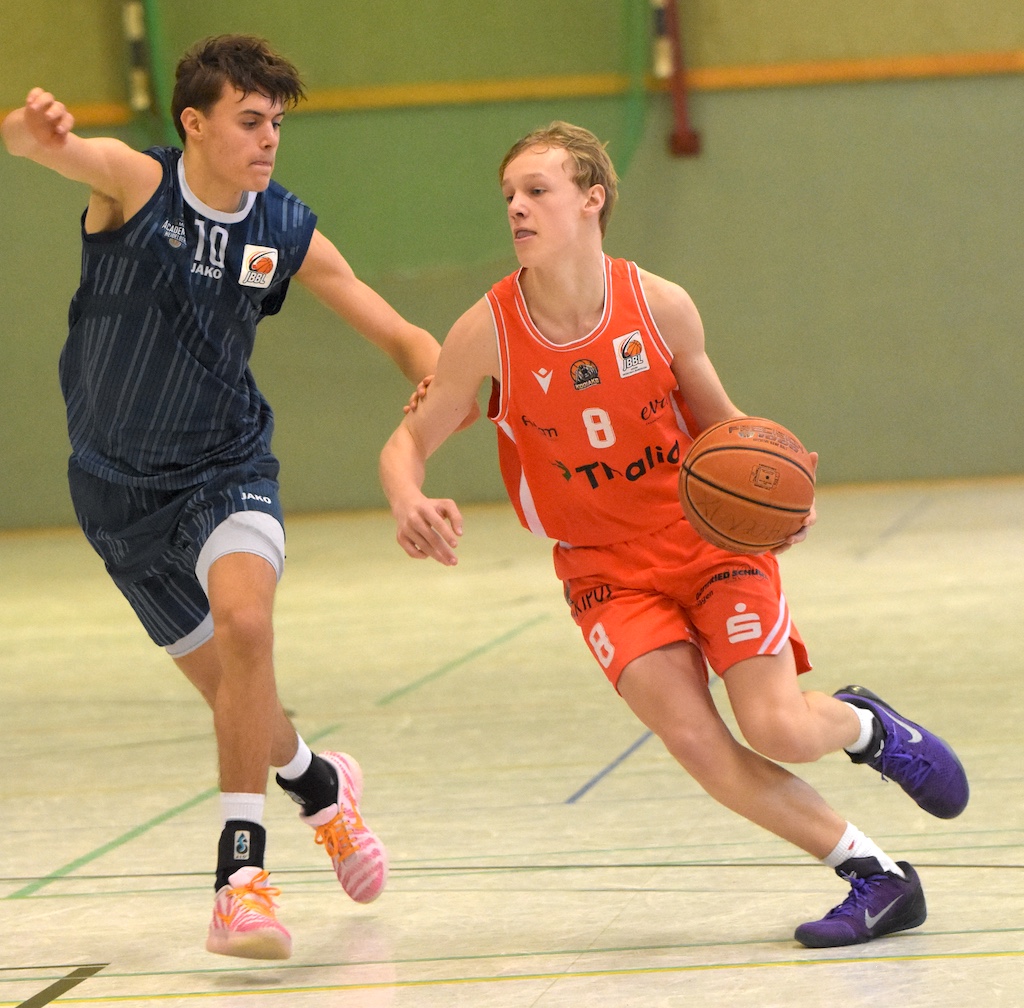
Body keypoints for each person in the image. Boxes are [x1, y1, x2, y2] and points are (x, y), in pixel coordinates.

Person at [379, 121, 970, 948]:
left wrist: (780, 492)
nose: (515, 207)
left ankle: (869, 727)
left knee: (778, 728)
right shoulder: (487, 331)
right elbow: (406, 441)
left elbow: (725, 428)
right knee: (696, 741)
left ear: (592, 198)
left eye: (537, 190)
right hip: (603, 570)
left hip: (706, 542)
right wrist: (407, 496)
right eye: (508, 194)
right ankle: (877, 876)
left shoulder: (658, 305)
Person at [2, 35, 442, 961]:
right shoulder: (137, 185)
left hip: (225, 466)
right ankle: (320, 785)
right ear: (194, 125)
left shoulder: (282, 228)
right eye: (249, 121)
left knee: (247, 629)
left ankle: (239, 886)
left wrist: (448, 390)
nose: (268, 138)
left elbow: (400, 333)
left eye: (276, 123)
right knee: (240, 696)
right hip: (114, 494)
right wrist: (35, 134)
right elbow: (50, 151)